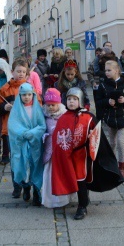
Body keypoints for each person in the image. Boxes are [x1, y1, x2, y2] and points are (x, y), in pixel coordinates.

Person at [51, 87, 96, 220]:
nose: (71, 102)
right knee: (73, 179)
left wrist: (91, 137)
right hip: (67, 155)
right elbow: (57, 137)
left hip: (82, 155)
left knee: (81, 180)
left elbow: (96, 134)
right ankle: (83, 200)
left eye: (74, 99)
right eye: (69, 99)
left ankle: (82, 206)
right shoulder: (63, 118)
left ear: (80, 101)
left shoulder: (88, 117)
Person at [95, 60, 124, 179]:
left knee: (120, 141)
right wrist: (107, 102)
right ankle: (111, 166)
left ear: (117, 70)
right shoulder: (103, 85)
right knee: (112, 143)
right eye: (105, 70)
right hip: (110, 118)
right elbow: (98, 102)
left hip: (123, 117)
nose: (106, 73)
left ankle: (122, 167)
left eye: (109, 70)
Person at [8, 82, 46, 206]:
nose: (27, 97)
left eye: (29, 94)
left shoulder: (37, 109)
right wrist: (23, 133)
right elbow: (12, 125)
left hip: (35, 144)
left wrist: (32, 133)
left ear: (33, 95)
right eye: (24, 95)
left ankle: (36, 191)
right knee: (23, 165)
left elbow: (42, 125)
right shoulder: (16, 109)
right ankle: (25, 188)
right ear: (20, 96)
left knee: (35, 166)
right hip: (22, 143)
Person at [0, 57, 30, 170]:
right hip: (10, 127)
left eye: (23, 72)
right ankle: (17, 185)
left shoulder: (30, 89)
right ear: (12, 72)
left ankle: (26, 184)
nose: (21, 74)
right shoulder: (5, 89)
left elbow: (37, 107)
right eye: (18, 71)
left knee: (25, 157)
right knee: (14, 158)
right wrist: (4, 107)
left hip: (26, 127)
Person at [41, 88, 71, 209]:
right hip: (49, 151)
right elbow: (42, 129)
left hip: (61, 151)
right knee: (49, 175)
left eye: (53, 105)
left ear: (58, 104)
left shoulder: (64, 115)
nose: (51, 108)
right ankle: (50, 199)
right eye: (48, 105)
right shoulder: (44, 116)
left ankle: (63, 198)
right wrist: (44, 135)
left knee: (62, 175)